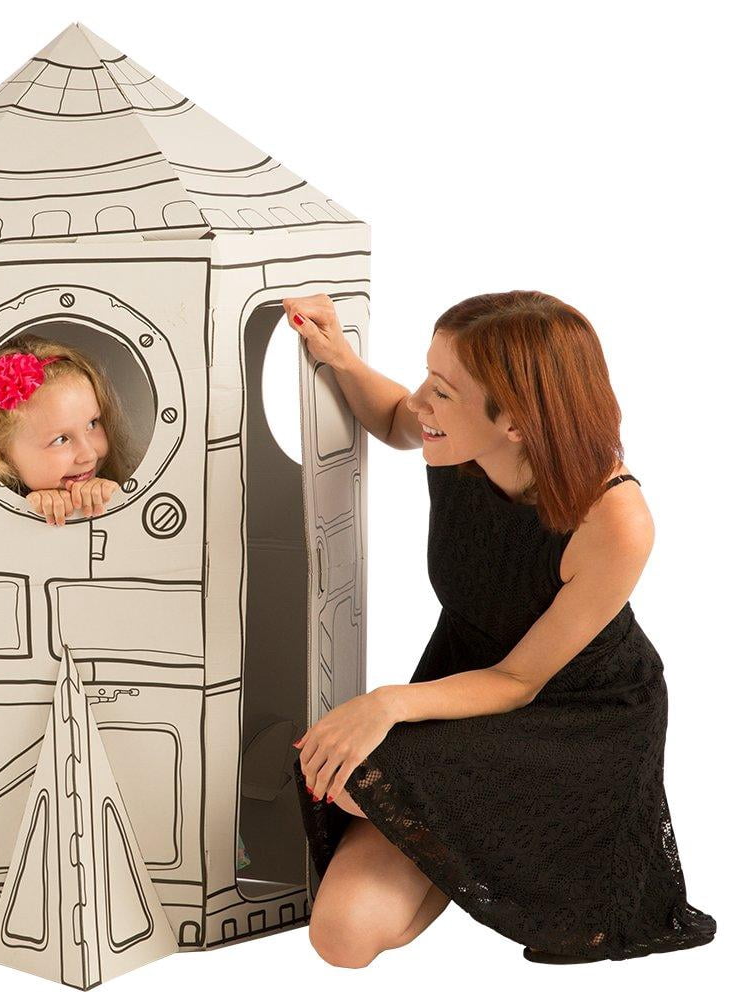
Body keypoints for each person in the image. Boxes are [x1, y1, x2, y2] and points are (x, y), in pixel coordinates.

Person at [283, 291, 717, 967]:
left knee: (351, 777)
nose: (421, 401)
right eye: (428, 376)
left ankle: (489, 835)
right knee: (343, 938)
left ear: (514, 421)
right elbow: (394, 416)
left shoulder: (616, 520)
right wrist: (338, 356)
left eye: (442, 391)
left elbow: (518, 680)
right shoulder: (453, 440)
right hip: (466, 683)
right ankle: (466, 838)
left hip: (574, 719)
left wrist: (387, 702)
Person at [0, 334, 139, 524]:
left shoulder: (110, 483)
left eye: (92, 424)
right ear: (1, 454)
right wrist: (32, 505)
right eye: (60, 440)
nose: (88, 455)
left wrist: (114, 498)